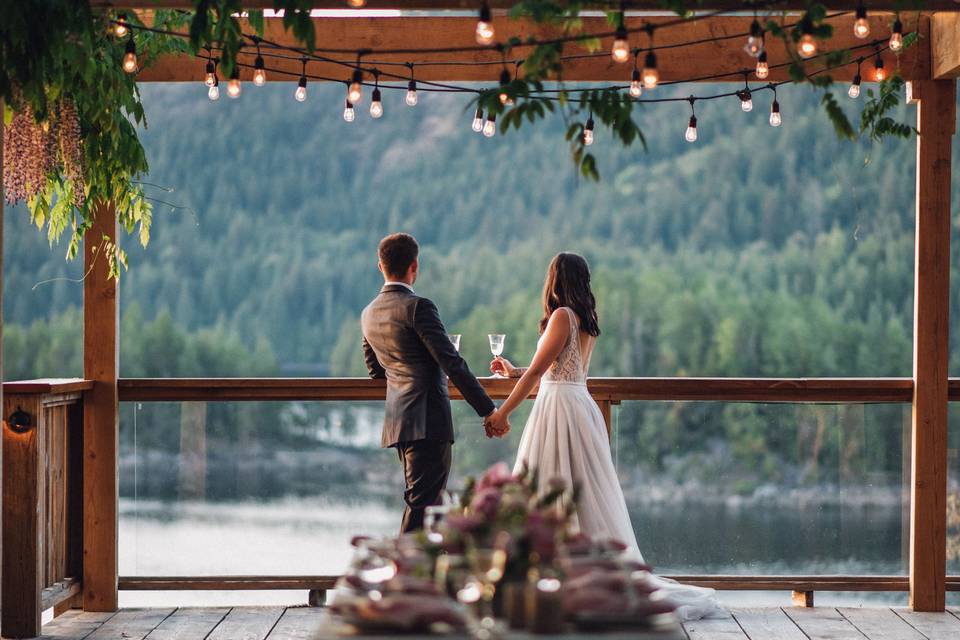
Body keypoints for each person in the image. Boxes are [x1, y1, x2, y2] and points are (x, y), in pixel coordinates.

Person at [484, 252, 723, 621]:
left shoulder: (562, 316)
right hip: (576, 403)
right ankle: (568, 575)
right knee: (578, 493)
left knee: (549, 489)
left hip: (560, 409)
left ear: (553, 280)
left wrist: (502, 413)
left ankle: (549, 577)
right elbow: (549, 370)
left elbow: (539, 375)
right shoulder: (581, 319)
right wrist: (513, 369)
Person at [361, 233, 508, 533]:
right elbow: (451, 362)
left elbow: (376, 371)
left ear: (380, 266)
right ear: (415, 266)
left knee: (425, 504)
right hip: (428, 419)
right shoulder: (419, 307)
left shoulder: (368, 313)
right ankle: (402, 575)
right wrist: (488, 411)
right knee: (424, 508)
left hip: (398, 421)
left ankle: (418, 573)